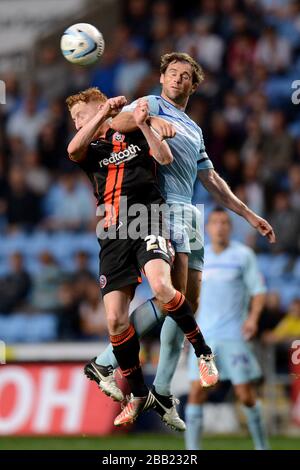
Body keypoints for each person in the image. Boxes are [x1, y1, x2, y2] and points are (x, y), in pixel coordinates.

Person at [88, 52, 275, 430]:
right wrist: (148, 120)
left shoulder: (194, 127)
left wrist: (249, 215)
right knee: (167, 295)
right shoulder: (152, 103)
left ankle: (161, 390)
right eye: (172, 73)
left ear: (193, 84)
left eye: (185, 75)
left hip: (190, 213)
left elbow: (212, 181)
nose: (178, 79)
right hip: (159, 207)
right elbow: (116, 123)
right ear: (162, 78)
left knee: (187, 302)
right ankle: (108, 359)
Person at [66, 88, 218, 427]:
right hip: (112, 232)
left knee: (165, 290)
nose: (76, 122)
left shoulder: (134, 127)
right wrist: (105, 112)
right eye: (74, 119)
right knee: (115, 321)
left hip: (152, 217)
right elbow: (72, 149)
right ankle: (140, 394)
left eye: (80, 115)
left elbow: (164, 158)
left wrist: (147, 122)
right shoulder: (90, 148)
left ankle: (202, 353)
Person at [185, 207, 269, 450]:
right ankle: (192, 451)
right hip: (205, 339)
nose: (220, 227)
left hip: (234, 336)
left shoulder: (243, 255)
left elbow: (258, 291)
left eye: (224, 222)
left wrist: (252, 319)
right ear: (208, 228)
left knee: (245, 395)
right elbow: (190, 297)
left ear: (230, 228)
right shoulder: (199, 256)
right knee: (196, 393)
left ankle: (262, 446)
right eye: (215, 223)